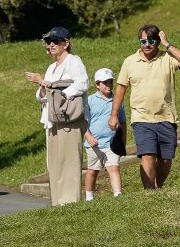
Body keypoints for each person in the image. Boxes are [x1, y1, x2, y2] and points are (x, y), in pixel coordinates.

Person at [115, 24, 180, 190]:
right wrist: (114, 114)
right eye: (143, 41)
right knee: (147, 155)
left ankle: (158, 186)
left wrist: (167, 44)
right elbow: (121, 88)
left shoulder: (167, 58)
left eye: (151, 41)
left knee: (166, 159)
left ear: (157, 42)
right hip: (141, 117)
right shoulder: (130, 62)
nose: (147, 45)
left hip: (166, 116)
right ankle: (149, 191)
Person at [26, 27, 88, 206]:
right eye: (48, 42)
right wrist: (43, 86)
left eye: (55, 41)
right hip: (52, 119)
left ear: (65, 43)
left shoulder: (73, 61)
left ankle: (70, 202)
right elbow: (42, 95)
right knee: (54, 162)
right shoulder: (51, 67)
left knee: (69, 161)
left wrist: (60, 94)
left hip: (69, 119)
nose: (51, 45)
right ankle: (57, 201)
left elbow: (83, 84)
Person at [83, 67, 123, 200]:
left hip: (112, 143)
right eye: (105, 82)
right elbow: (82, 122)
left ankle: (118, 195)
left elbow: (122, 122)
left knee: (113, 167)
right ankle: (89, 197)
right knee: (92, 171)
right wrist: (88, 137)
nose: (108, 85)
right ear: (97, 85)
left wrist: (122, 141)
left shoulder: (117, 100)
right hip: (94, 143)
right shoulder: (89, 101)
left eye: (110, 82)